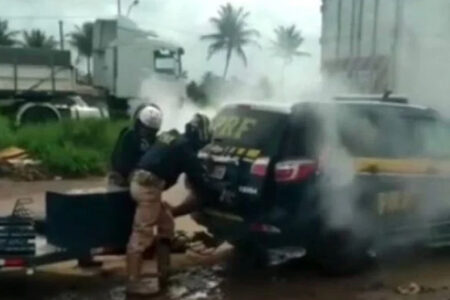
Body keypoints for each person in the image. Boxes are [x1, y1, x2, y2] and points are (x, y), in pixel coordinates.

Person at [126, 113, 215, 296]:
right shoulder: (185, 149)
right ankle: (133, 283)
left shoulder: (171, 135)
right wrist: (215, 194)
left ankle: (164, 273)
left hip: (141, 182)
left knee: (167, 224)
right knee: (142, 235)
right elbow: (200, 181)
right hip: (148, 189)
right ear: (199, 136)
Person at [108, 104, 163, 187]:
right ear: (138, 124)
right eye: (144, 128)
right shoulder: (128, 135)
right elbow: (120, 161)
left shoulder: (155, 141)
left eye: (150, 131)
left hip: (141, 177)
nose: (146, 132)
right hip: (122, 176)